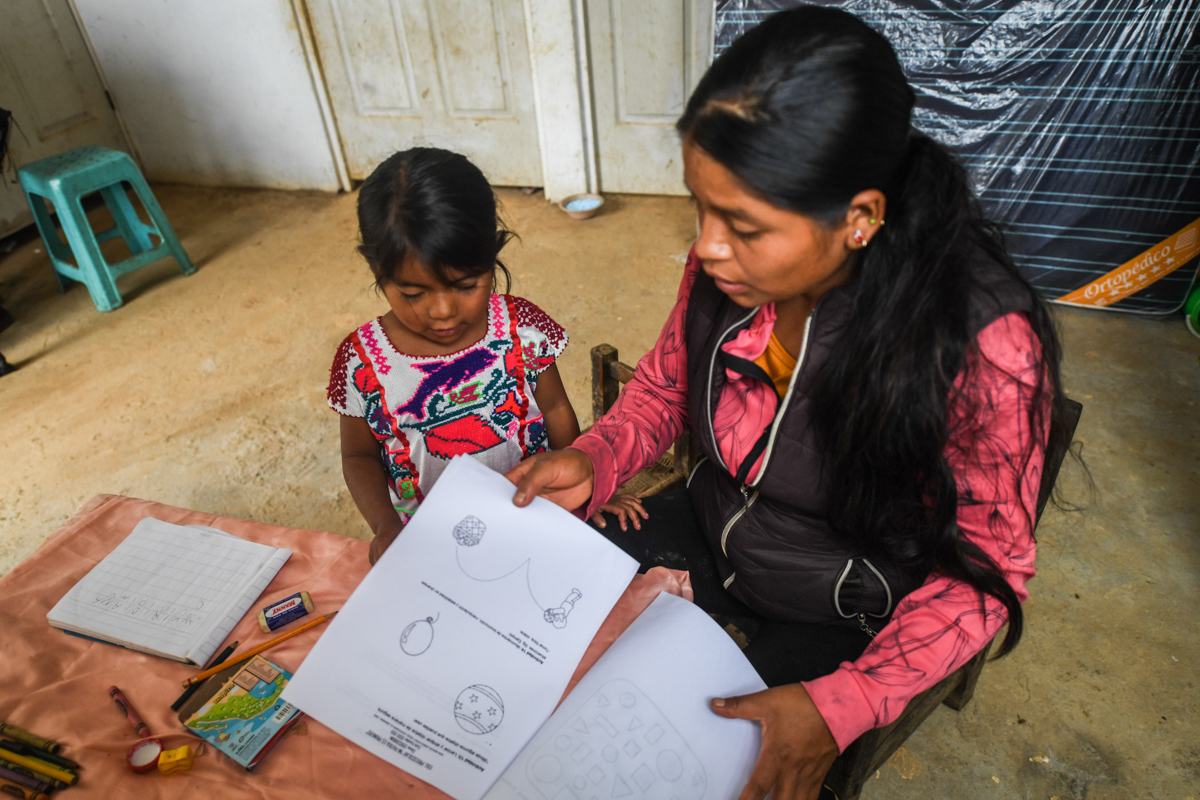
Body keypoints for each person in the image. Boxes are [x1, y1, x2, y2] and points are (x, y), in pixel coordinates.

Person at [506, 8, 1068, 800]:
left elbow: (984, 568)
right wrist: (596, 455)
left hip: (848, 606)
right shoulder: (726, 269)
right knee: (520, 656)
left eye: (742, 225)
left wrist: (846, 702)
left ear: (860, 218)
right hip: (711, 525)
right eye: (698, 208)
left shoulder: (979, 343)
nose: (704, 247)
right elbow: (668, 385)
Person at [328, 147, 641, 564]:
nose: (442, 311)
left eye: (464, 284)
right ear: (376, 272)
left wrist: (588, 485)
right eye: (414, 293)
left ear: (492, 254)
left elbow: (555, 408)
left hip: (533, 515)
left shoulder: (521, 330)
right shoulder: (362, 363)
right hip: (430, 540)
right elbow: (358, 455)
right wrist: (386, 526)